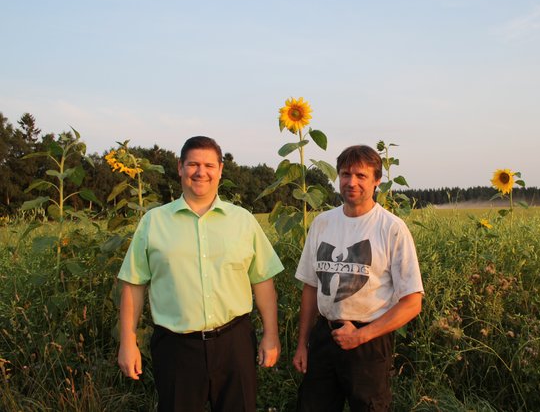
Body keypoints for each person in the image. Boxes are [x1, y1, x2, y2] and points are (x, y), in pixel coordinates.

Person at [117, 136, 284, 412]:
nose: (200, 172)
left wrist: (271, 335)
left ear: (220, 170)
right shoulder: (154, 222)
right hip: (176, 348)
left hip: (234, 343)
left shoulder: (243, 220)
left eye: (208, 165)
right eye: (193, 164)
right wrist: (127, 342)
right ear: (180, 167)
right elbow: (134, 284)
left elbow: (263, 281)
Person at [293, 145, 424, 411]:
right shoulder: (322, 223)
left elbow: (412, 303)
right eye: (345, 174)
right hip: (324, 337)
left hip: (369, 342)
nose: (351, 182)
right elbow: (310, 287)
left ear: (377, 181)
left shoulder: (391, 228)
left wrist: (361, 336)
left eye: (361, 176)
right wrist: (302, 345)